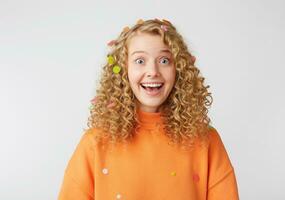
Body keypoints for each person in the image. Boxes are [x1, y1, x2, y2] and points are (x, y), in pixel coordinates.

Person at [58, 18, 239, 200]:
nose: (153, 71)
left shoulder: (206, 141)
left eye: (164, 60)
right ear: (123, 70)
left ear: (179, 70)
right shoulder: (95, 143)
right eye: (139, 61)